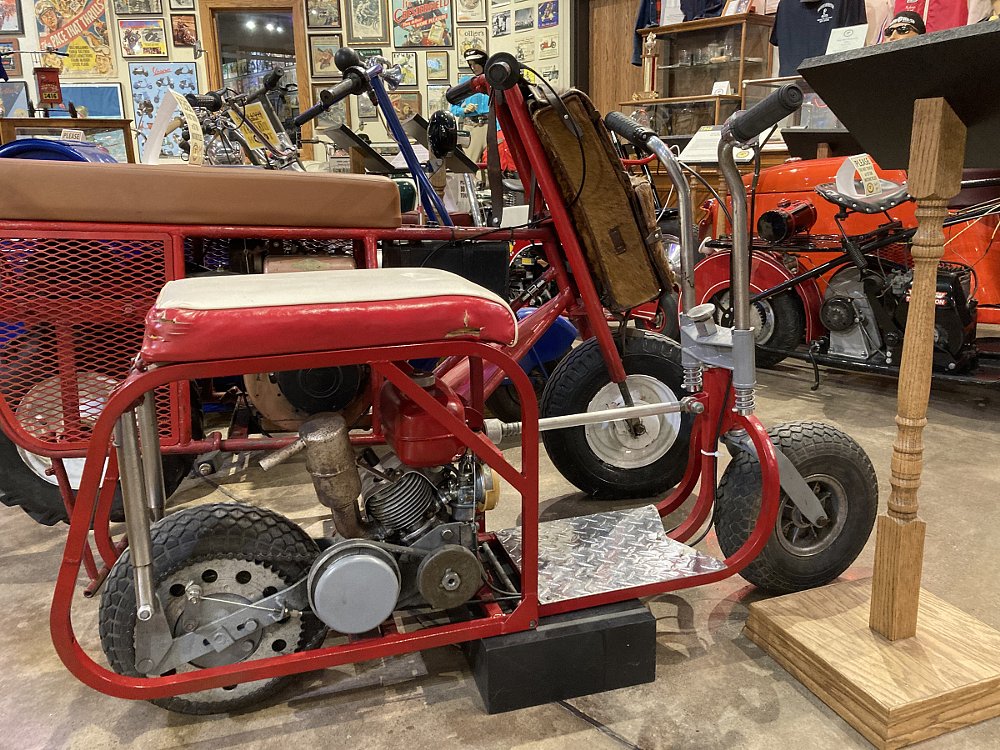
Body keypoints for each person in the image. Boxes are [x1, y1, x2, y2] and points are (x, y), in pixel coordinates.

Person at [449, 48, 490, 163]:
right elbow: (453, 107)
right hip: (472, 127)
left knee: (493, 165)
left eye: (476, 63)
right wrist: (464, 110)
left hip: (491, 127)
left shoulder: (492, 82)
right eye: (471, 64)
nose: (473, 67)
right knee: (471, 164)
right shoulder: (466, 82)